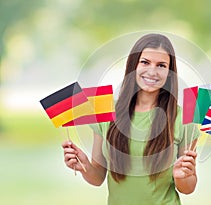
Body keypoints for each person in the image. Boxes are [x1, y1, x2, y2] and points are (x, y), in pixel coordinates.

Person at [62, 33, 200, 205]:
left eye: (161, 65)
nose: (152, 71)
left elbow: (187, 188)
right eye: (145, 62)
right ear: (133, 65)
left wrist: (183, 176)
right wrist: (83, 165)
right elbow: (97, 177)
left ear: (169, 73)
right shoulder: (105, 110)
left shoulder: (182, 118)